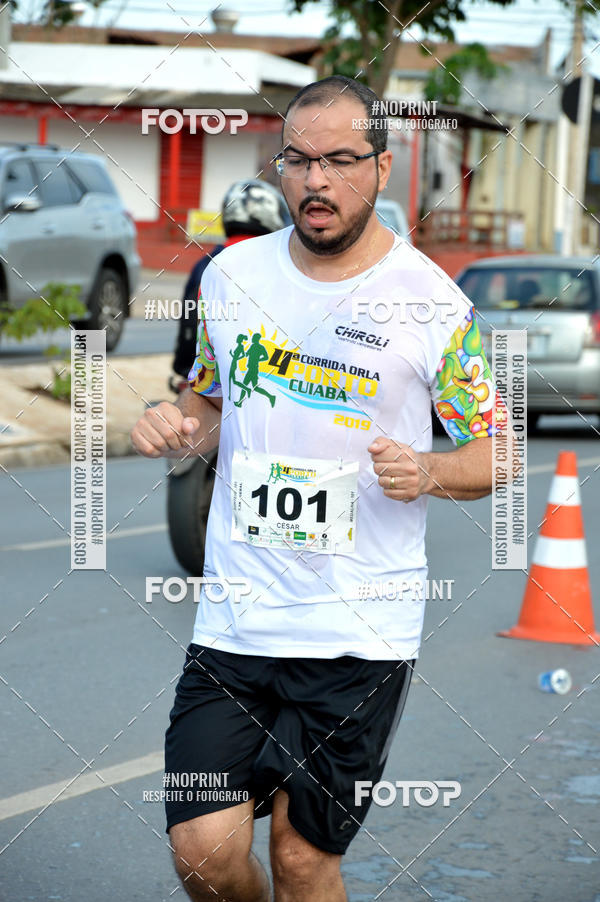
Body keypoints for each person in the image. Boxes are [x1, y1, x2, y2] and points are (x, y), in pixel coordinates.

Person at [131, 75, 507, 902]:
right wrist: (175, 424)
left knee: (303, 861)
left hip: (356, 634)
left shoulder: (434, 307)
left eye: (340, 159)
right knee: (202, 851)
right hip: (235, 621)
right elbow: (209, 402)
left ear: (379, 166)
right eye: (298, 160)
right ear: (279, 169)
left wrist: (430, 472)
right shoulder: (231, 278)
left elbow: (496, 453)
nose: (317, 180)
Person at [171, 179, 291, 383]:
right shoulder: (279, 264)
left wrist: (183, 367)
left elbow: (189, 325)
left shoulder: (205, 264)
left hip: (202, 375)